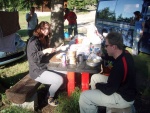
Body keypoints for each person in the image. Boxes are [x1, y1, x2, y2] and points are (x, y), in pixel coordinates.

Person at [79, 32, 136, 113]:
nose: (105, 48)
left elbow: (109, 90)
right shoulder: (125, 53)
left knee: (84, 97)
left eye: (106, 46)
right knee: (94, 77)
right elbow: (113, 58)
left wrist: (98, 85)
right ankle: (97, 104)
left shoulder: (119, 67)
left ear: (114, 47)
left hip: (123, 98)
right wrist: (103, 55)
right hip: (123, 87)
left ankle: (92, 102)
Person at [27, 21, 67, 106]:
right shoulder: (33, 41)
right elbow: (33, 58)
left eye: (48, 28)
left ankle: (58, 87)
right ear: (39, 29)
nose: (46, 30)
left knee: (65, 71)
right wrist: (44, 51)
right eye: (44, 28)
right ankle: (49, 97)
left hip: (44, 66)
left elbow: (45, 55)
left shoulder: (43, 38)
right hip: (37, 71)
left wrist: (56, 50)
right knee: (59, 79)